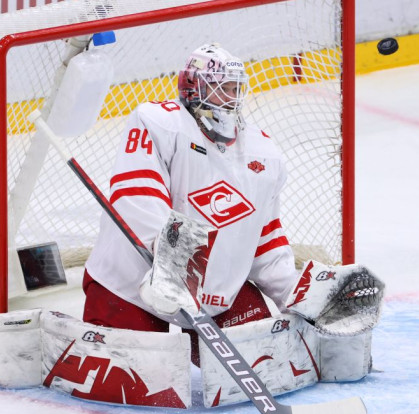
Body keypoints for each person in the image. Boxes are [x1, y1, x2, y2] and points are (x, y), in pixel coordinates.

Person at [82, 43, 301, 365]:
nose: (231, 95)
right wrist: (174, 259)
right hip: (132, 280)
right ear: (193, 86)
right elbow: (137, 193)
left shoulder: (263, 152)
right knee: (143, 385)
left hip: (215, 292)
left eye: (235, 87)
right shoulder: (158, 121)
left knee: (267, 366)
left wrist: (293, 295)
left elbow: (264, 238)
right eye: (220, 86)